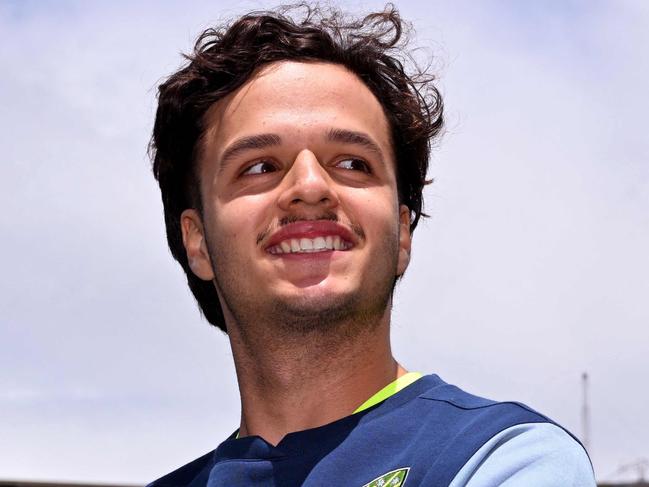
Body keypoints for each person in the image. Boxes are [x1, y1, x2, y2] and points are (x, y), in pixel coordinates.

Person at [147, 4, 595, 486]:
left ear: (403, 231)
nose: (310, 185)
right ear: (197, 242)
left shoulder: (505, 458)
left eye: (353, 163)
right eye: (259, 166)